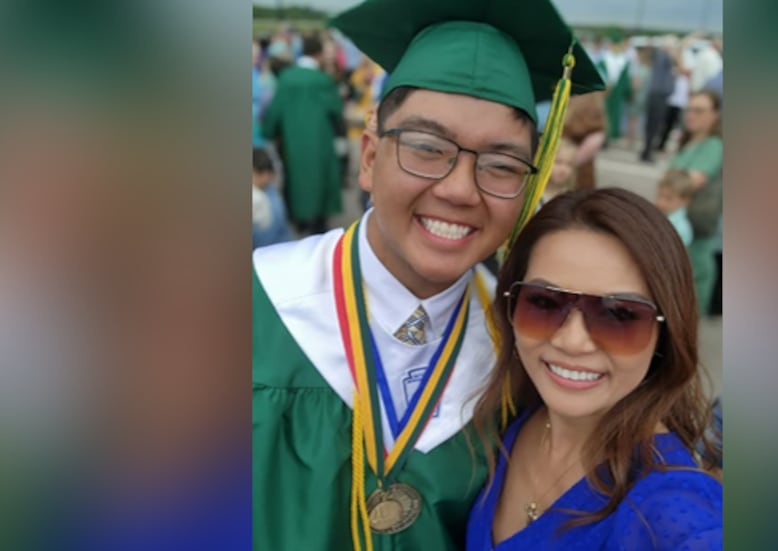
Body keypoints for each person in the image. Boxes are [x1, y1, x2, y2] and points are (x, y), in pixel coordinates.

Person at [251, 0, 605, 549]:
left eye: (502, 165)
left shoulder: (528, 348)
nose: (460, 190)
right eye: (426, 148)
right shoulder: (247, 310)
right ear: (369, 158)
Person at [467, 188, 722, 550]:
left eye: (619, 314)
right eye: (542, 302)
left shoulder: (670, 506)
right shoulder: (514, 414)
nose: (572, 341)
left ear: (666, 333)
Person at [261, 35, 345, 236]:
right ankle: (319, 221)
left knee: (296, 177)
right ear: (319, 54)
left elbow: (275, 109)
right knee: (320, 176)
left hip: (293, 138)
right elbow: (336, 110)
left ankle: (300, 219)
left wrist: (269, 131)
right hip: (320, 138)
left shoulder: (286, 77)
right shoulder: (323, 79)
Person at [670, 89, 722, 314]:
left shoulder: (713, 145)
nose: (691, 115)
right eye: (689, 109)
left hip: (696, 230)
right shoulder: (690, 141)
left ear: (715, 115)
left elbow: (692, 180)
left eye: (699, 111)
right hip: (682, 228)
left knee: (688, 302)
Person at [252, 147, 291, 250]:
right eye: (260, 173)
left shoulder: (272, 192)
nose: (266, 178)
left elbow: (283, 229)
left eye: (269, 173)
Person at [654, 169, 695, 247]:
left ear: (684, 200)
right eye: (659, 195)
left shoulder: (680, 228)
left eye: (668, 198)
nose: (660, 202)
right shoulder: (660, 216)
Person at [540, 138, 578, 207]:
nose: (563, 169)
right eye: (558, 162)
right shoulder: (533, 196)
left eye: (569, 164)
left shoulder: (571, 199)